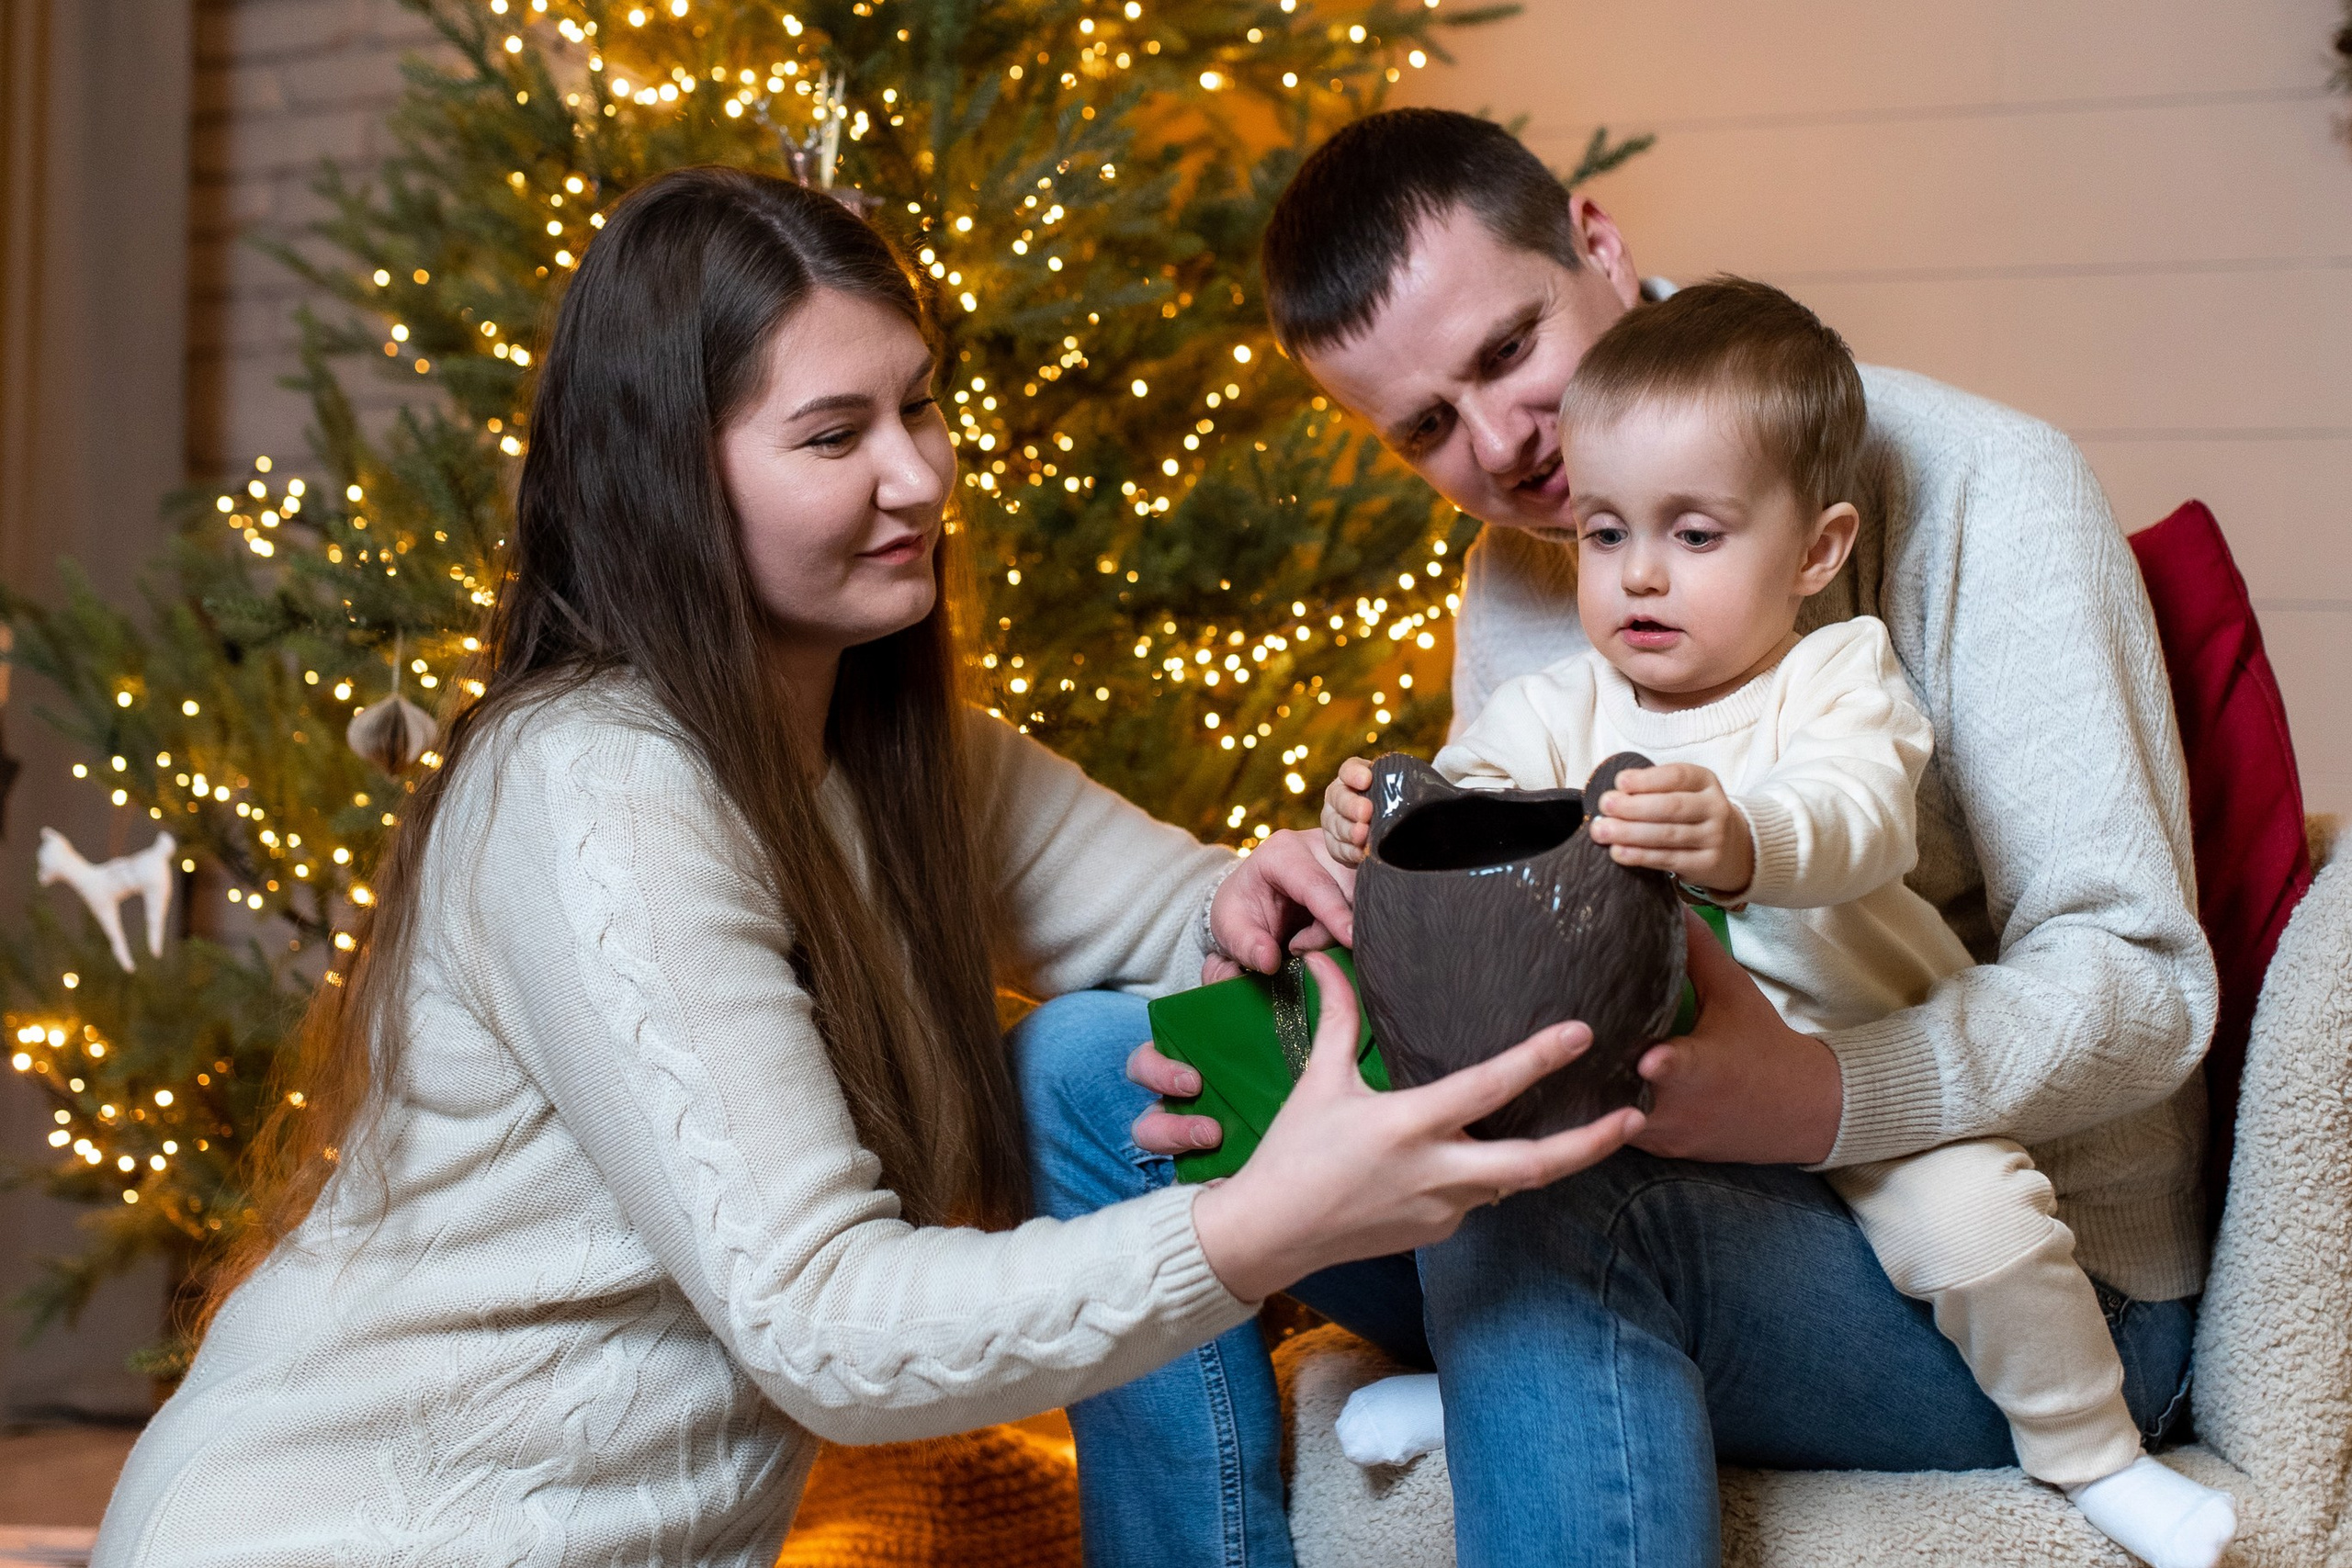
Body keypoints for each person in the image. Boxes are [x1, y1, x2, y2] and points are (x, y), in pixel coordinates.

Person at [86, 167, 1642, 1568]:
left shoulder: (896, 747)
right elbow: (824, 1328)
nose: (921, 477)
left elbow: (1191, 910)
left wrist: (1282, 886)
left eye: (921, 405)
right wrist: (1263, 1226)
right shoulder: (594, 785)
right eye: (836, 436)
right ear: (671, 482)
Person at [1022, 109, 2217, 1567]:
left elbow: (2147, 983)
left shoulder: (1985, 485)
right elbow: (1507, 882)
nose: (1498, 445)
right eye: (1423, 429)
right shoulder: (1528, 574)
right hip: (1659, 1136)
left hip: (2001, 1261)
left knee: (1558, 1198)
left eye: (1506, 351)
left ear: (1597, 241)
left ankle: (1522, 1363)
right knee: (1095, 1074)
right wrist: (1347, 907)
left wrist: (1820, 1096)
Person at [1318, 277, 2234, 1568]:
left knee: (1980, 1234)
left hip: (1865, 1072)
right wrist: (1376, 813)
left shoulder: (1835, 678)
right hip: (1658, 1104)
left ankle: (2094, 1454)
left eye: (1694, 537)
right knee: (1500, 1173)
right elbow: (1471, 795)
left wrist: (1747, 843)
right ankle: (1493, 1395)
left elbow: (1866, 814)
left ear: (1814, 553)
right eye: (1601, 534)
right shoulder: (1567, 701)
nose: (1639, 575)